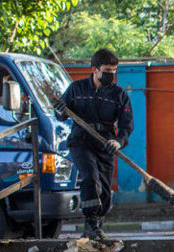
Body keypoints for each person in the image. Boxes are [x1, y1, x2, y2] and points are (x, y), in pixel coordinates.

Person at [54, 48, 134, 242]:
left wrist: (118, 142)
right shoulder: (76, 89)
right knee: (90, 178)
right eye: (107, 71)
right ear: (94, 69)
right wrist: (60, 110)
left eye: (113, 71)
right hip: (81, 142)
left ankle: (97, 225)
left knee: (105, 189)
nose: (111, 75)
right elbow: (60, 114)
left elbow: (127, 125)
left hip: (106, 145)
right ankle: (90, 223)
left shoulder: (119, 95)